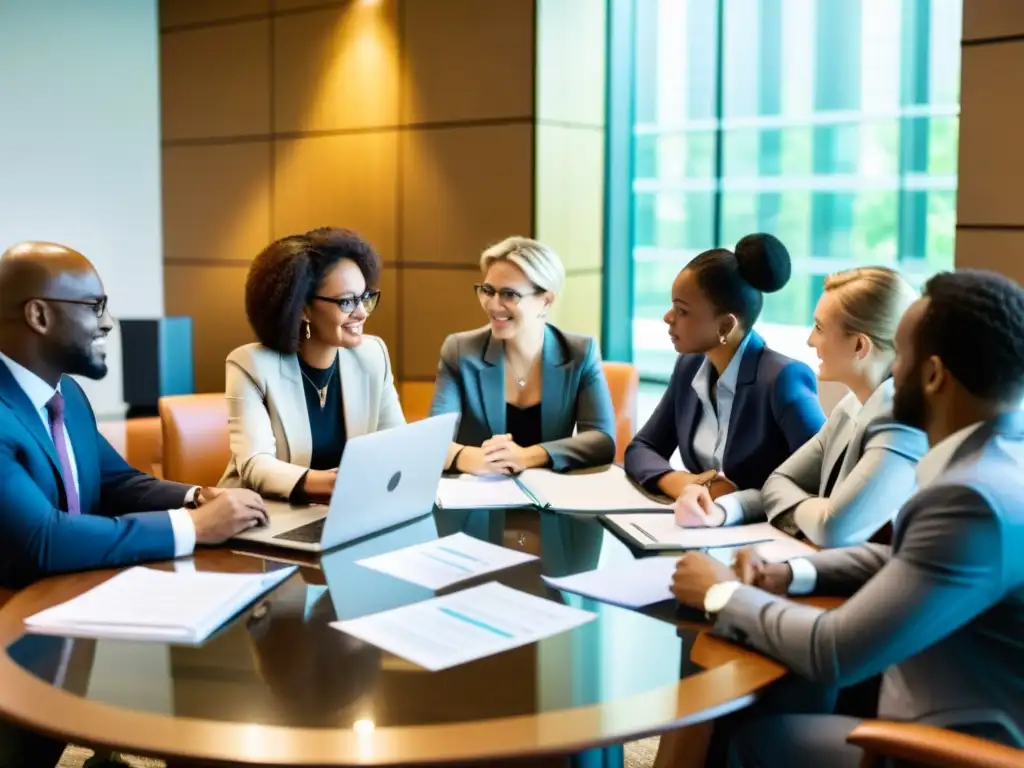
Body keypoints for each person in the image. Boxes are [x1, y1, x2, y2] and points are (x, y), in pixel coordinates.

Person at [670, 269, 1024, 767]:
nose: (890, 372)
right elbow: (904, 558)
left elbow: (832, 651)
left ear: (933, 375)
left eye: (900, 356)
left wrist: (722, 592)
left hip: (946, 749)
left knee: (749, 734)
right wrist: (792, 572)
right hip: (948, 698)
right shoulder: (998, 463)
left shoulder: (973, 497)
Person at [0, 241, 268, 768]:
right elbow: (43, 538)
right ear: (39, 314)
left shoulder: (66, 395)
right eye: (95, 307)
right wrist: (192, 526)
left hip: (73, 607)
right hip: (15, 633)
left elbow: (116, 481)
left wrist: (199, 496)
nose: (108, 324)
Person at [673, 267, 927, 547]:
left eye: (819, 328)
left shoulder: (899, 422)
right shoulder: (850, 407)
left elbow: (832, 529)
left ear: (859, 346)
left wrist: (818, 513)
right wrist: (721, 511)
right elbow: (775, 482)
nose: (810, 340)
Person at [624, 234, 825, 500]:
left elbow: (822, 478)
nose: (667, 318)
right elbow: (642, 448)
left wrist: (736, 501)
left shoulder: (782, 379)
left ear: (725, 326)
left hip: (764, 535)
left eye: (682, 311)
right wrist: (678, 482)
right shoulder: (690, 367)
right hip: (696, 526)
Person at [219, 227, 404, 503]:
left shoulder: (373, 354)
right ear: (303, 308)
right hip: (263, 514)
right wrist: (332, 483)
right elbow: (255, 465)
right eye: (347, 301)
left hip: (344, 510)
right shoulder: (250, 365)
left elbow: (397, 443)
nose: (362, 312)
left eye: (365, 297)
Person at [430, 236, 615, 475]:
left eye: (509, 294)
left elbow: (602, 440)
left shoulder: (579, 352)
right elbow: (434, 440)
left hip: (550, 501)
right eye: (488, 291)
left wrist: (527, 456)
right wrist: (479, 458)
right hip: (477, 502)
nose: (493, 305)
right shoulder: (460, 351)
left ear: (546, 301)